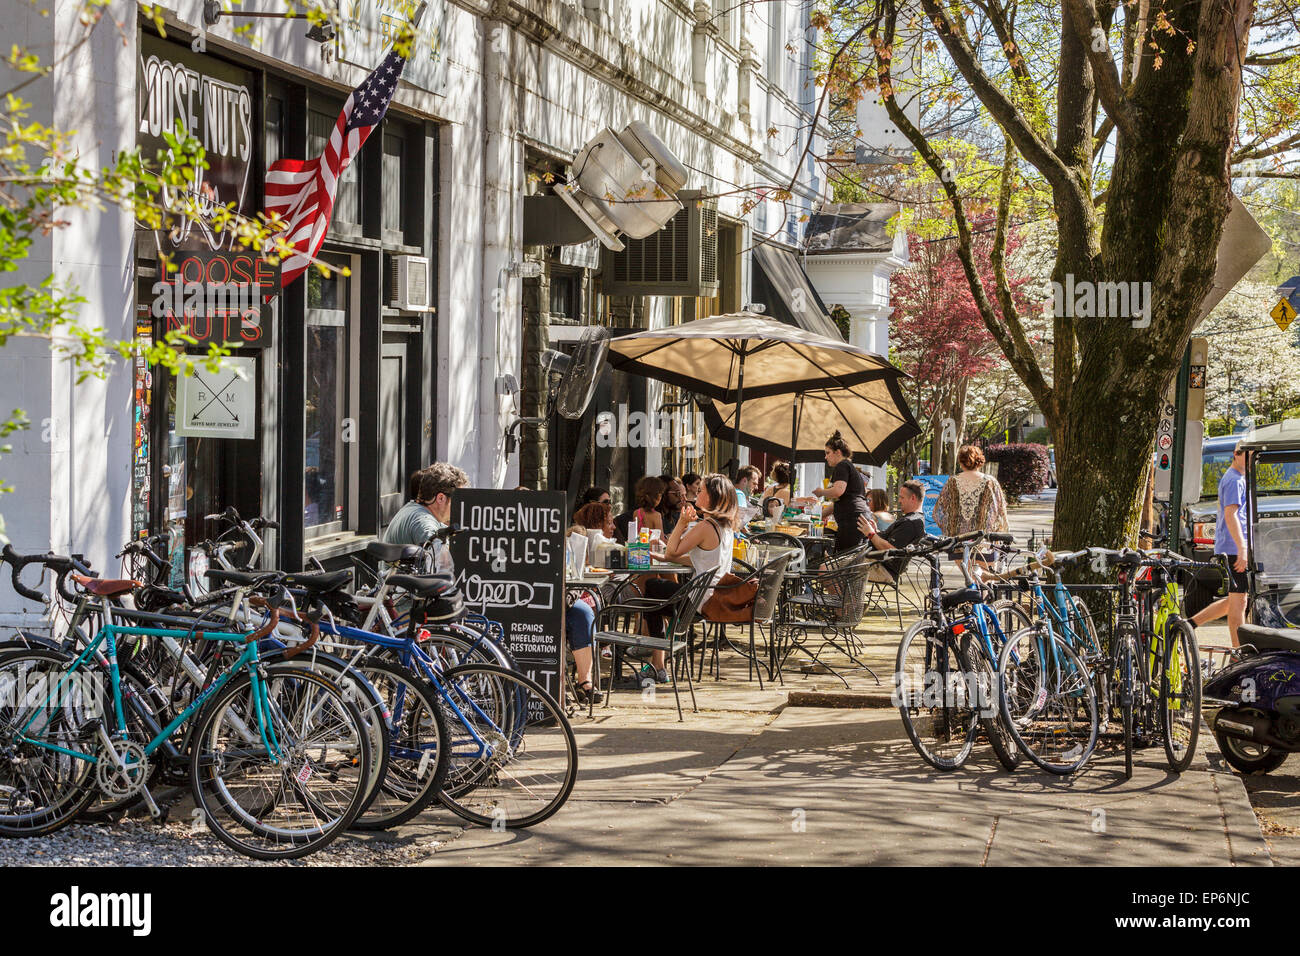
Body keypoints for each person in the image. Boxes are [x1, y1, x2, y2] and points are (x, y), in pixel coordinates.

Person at [636, 474, 737, 684]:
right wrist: (663, 556)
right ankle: (659, 665)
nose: (697, 494)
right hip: (713, 597)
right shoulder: (725, 527)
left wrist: (682, 523)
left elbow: (673, 552)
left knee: (651, 588)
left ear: (712, 497)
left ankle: (658, 665)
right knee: (656, 598)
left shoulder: (706, 526)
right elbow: (702, 562)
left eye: (701, 491)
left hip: (698, 600)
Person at [1191, 440, 1251, 645]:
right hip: (1233, 548)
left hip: (1233, 546)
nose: (1251, 459)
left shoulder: (1239, 478)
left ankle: (1190, 623)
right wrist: (1242, 547)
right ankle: (1238, 652)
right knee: (1239, 603)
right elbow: (1231, 515)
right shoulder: (1233, 480)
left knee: (1236, 599)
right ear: (1236, 454)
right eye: (1248, 454)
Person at [385, 463, 470, 571]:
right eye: (457, 500)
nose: (459, 506)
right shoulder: (423, 521)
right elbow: (442, 566)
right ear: (440, 498)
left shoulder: (413, 509)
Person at [800, 431, 870, 554]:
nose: (825, 457)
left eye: (828, 453)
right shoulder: (848, 466)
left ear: (838, 452)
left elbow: (838, 491)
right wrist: (818, 517)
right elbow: (839, 501)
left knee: (844, 559)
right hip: (857, 518)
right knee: (848, 559)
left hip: (852, 521)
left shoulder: (842, 465)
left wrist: (821, 492)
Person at [932, 444, 1008, 539]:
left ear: (960, 462)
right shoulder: (991, 482)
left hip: (957, 543)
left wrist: (949, 528)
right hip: (984, 544)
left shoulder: (952, 482)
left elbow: (937, 512)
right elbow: (1001, 511)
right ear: (979, 460)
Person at [858, 480, 928, 582]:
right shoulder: (913, 519)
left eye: (901, 497)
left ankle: (848, 598)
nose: (899, 501)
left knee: (828, 569)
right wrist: (875, 531)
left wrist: (871, 533)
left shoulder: (910, 523)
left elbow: (892, 551)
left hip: (881, 568)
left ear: (913, 498)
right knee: (833, 564)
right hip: (875, 563)